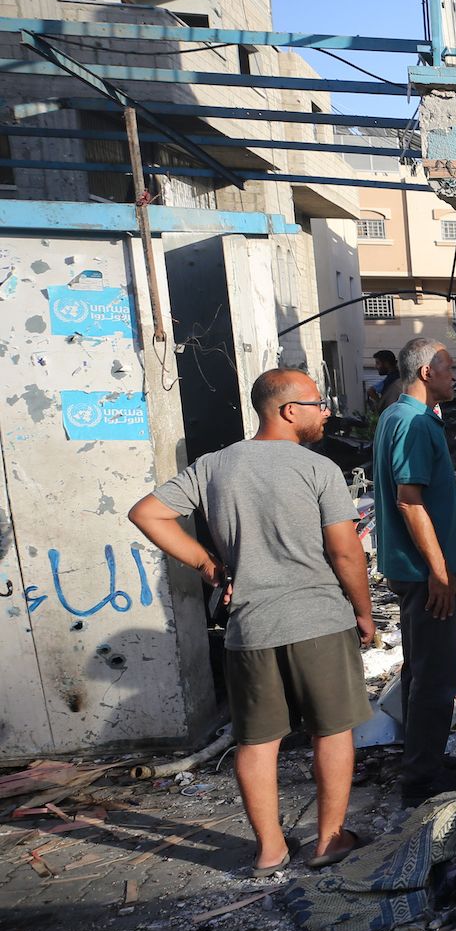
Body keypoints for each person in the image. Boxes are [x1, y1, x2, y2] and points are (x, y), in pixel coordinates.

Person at [129, 369, 373, 874]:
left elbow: (147, 513)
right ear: (287, 410)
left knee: (256, 741)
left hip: (250, 627)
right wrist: (364, 611)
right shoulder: (317, 468)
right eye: (316, 403)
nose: (325, 411)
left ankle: (269, 850)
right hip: (318, 620)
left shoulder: (214, 466)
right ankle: (329, 841)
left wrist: (209, 567)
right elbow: (345, 550)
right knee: (332, 732)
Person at [374, 338, 456, 805]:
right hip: (424, 570)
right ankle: (421, 779)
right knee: (437, 672)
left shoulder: (401, 416)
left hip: (414, 566)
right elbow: (409, 500)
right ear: (424, 374)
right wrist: (439, 572)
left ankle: (425, 758)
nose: (453, 374)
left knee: (421, 668)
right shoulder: (414, 423)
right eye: (447, 367)